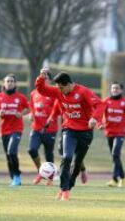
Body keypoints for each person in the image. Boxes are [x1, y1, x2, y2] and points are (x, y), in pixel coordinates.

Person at [36, 67, 105, 201]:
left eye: (61, 88)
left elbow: (100, 105)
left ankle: (69, 187)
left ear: (68, 85)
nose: (60, 91)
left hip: (85, 132)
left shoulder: (83, 92)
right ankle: (64, 190)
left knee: (77, 163)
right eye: (58, 88)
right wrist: (41, 78)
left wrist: (94, 118)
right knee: (67, 157)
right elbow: (42, 90)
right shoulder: (58, 91)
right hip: (69, 130)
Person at [0, 74, 29, 186]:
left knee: (11, 151)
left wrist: (21, 113)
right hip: (4, 130)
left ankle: (17, 176)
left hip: (16, 129)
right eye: (7, 81)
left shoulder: (20, 97)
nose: (10, 83)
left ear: (15, 83)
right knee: (8, 155)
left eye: (12, 81)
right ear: (4, 83)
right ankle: (13, 178)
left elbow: (28, 108)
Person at [98, 82, 125, 187]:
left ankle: (114, 179)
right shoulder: (106, 101)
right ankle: (122, 177)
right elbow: (99, 113)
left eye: (117, 88)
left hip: (120, 132)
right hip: (109, 132)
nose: (115, 90)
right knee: (115, 156)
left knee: (115, 154)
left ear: (121, 90)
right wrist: (100, 124)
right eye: (113, 88)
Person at [28, 73, 58, 186]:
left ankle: (50, 177)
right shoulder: (33, 93)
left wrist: (51, 118)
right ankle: (40, 172)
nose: (44, 81)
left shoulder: (54, 94)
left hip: (50, 128)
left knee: (48, 153)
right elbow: (31, 105)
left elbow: (58, 109)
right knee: (32, 150)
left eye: (46, 79)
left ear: (50, 81)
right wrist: (31, 113)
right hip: (36, 128)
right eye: (42, 78)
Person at [49, 100, 89, 184]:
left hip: (80, 130)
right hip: (67, 129)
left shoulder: (80, 98)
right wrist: (51, 119)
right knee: (63, 152)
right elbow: (55, 112)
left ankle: (82, 170)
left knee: (76, 154)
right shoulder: (59, 99)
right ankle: (66, 176)